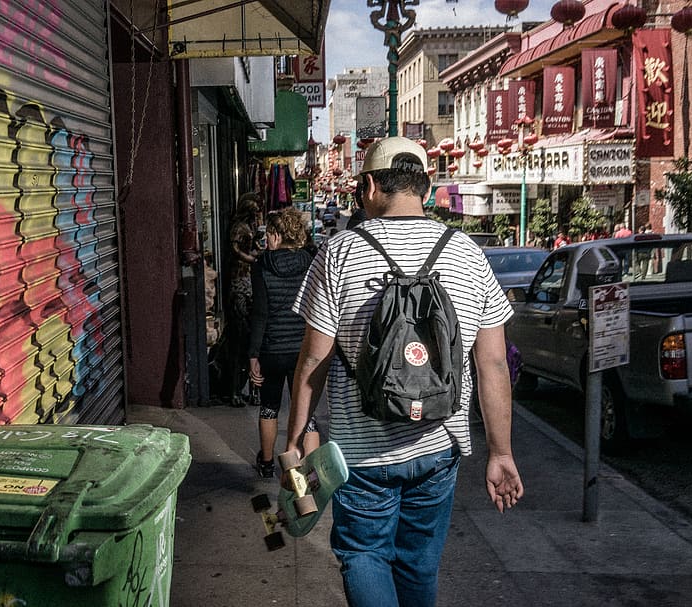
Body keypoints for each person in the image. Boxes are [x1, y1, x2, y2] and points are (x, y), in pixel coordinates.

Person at [286, 137, 523, 607]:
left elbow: (314, 361)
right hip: (438, 446)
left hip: (362, 455)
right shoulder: (467, 253)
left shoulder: (339, 253)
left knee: (365, 555)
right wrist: (501, 452)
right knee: (418, 564)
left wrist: (295, 443)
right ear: (426, 187)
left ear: (370, 186)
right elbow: (493, 361)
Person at [248, 208, 320, 477]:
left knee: (269, 406)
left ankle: (266, 464)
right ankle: (311, 470)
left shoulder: (262, 265)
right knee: (307, 411)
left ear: (277, 235)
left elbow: (260, 313)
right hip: (305, 349)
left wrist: (253, 354)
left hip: (272, 349)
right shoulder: (312, 261)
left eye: (268, 234)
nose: (266, 239)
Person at [223, 192, 262, 406]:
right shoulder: (239, 228)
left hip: (249, 283)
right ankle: (236, 390)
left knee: (250, 343)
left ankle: (251, 390)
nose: (258, 215)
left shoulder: (250, 227)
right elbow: (235, 249)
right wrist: (252, 258)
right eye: (255, 211)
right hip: (240, 282)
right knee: (239, 342)